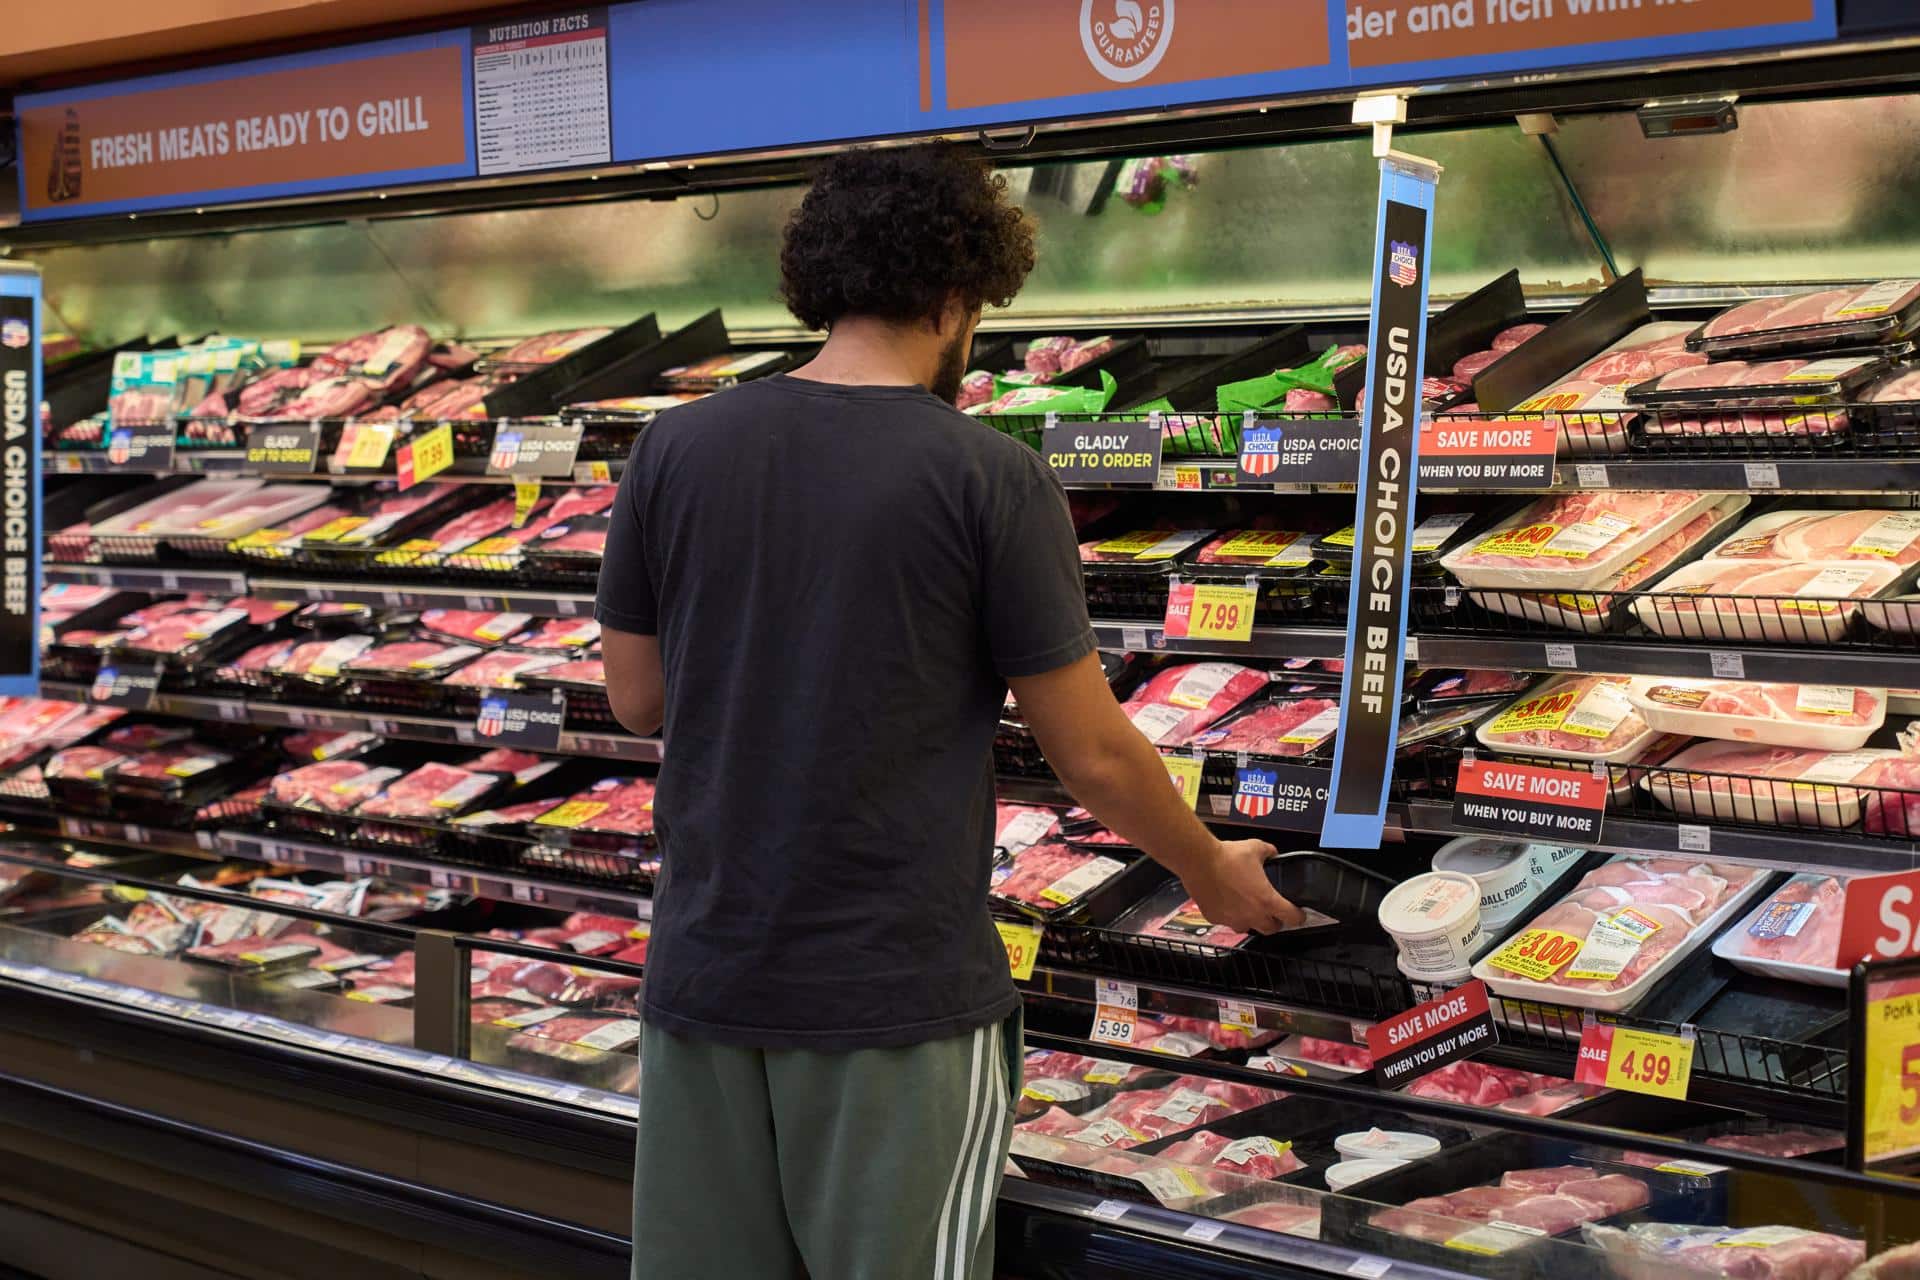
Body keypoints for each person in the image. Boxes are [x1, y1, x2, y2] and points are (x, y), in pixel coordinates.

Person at [596, 144, 1303, 1280]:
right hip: (894, 999)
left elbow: (637, 700)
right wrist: (1208, 867)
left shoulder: (674, 446)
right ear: (957, 295)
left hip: (704, 980)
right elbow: (1092, 756)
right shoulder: (991, 476)